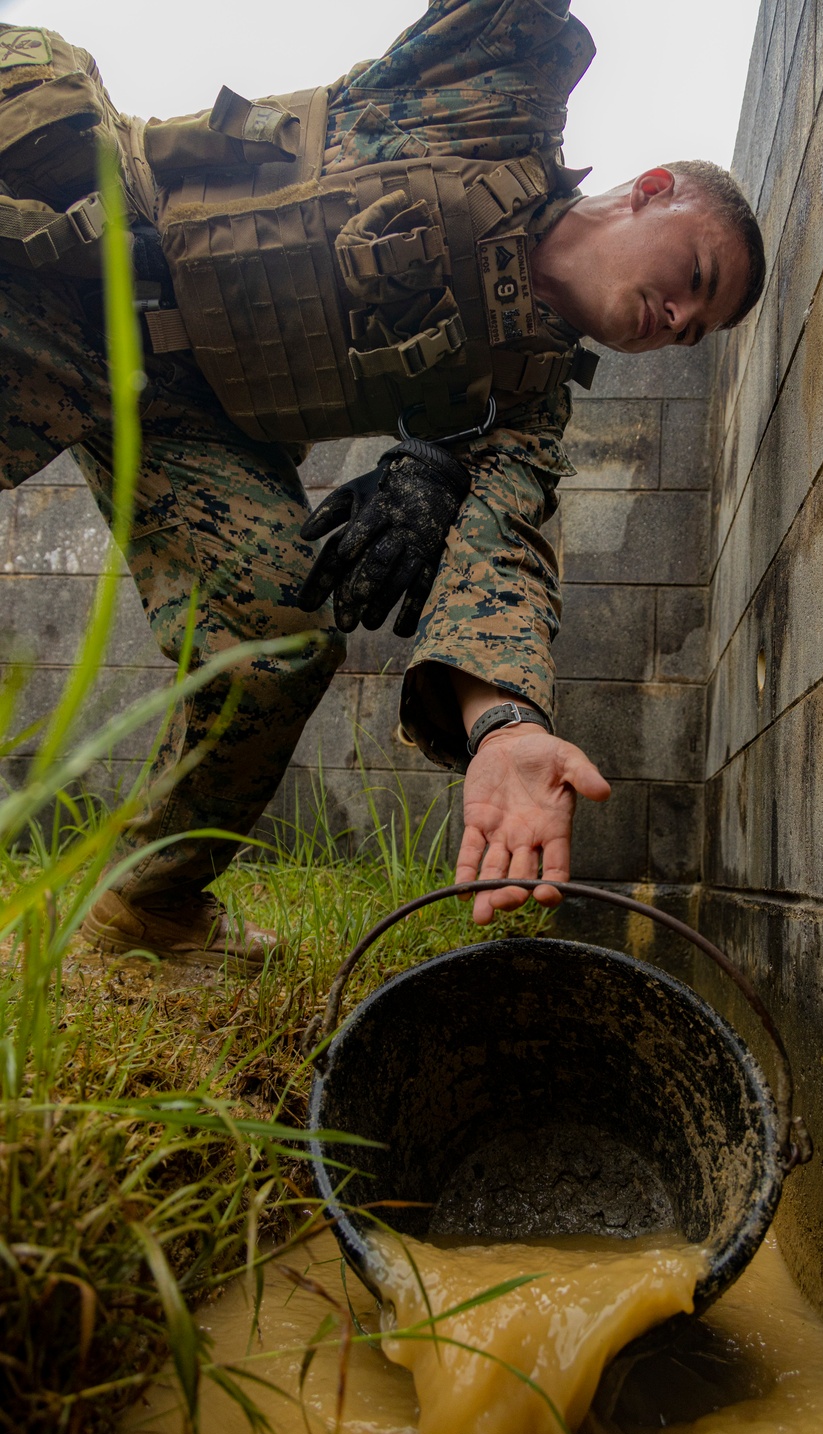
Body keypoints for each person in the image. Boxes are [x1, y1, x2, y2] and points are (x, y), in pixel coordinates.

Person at [0, 1, 764, 966]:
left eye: (695, 327)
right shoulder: (496, 91)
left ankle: (144, 913)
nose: (677, 316)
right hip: (73, 203)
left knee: (281, 630)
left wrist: (508, 727)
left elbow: (508, 560)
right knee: (34, 104)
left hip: (167, 408)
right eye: (695, 273)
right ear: (652, 189)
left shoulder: (522, 403)